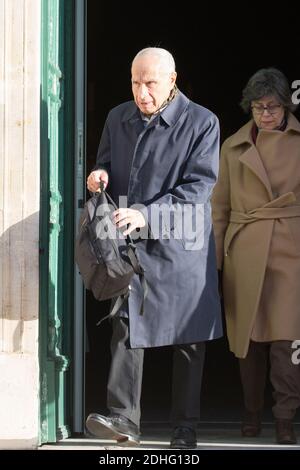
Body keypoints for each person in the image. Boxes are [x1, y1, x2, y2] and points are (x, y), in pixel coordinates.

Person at [85, 47, 222, 449]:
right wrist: (99, 176)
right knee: (126, 325)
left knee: (187, 337)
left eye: (150, 83)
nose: (141, 92)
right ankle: (123, 418)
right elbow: (107, 163)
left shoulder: (203, 123)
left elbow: (198, 188)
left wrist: (148, 214)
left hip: (183, 242)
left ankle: (185, 428)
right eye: (135, 82)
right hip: (131, 243)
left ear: (172, 80)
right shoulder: (117, 117)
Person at [212, 68, 300, 445]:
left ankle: (284, 417)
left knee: (286, 340)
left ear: (286, 106)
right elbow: (219, 208)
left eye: (273, 107)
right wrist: (212, 263)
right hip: (244, 249)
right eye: (258, 107)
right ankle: (250, 411)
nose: (265, 114)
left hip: (291, 247)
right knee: (247, 341)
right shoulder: (232, 147)